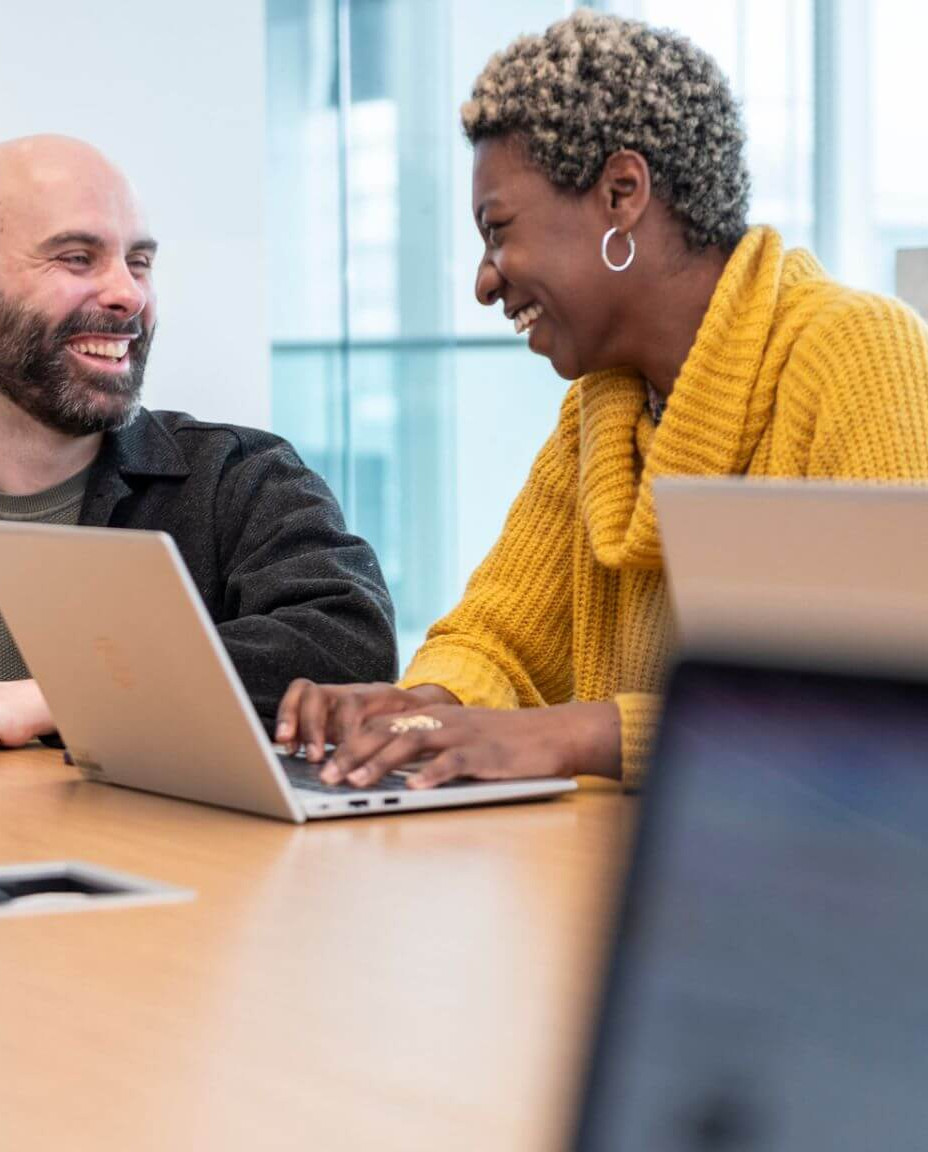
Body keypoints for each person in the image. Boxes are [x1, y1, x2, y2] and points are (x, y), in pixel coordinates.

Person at [275, 10, 928, 792]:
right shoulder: (606, 408)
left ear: (623, 193)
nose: (484, 281)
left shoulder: (857, 350)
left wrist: (576, 734)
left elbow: (888, 703)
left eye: (498, 230)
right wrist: (418, 711)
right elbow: (497, 638)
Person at [0, 135, 396, 757]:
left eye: (140, 262)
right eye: (77, 258)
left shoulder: (241, 483)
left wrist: (49, 698)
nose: (129, 293)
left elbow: (350, 649)